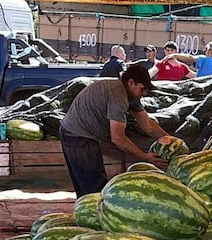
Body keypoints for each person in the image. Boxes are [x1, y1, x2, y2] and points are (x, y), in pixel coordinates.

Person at [59, 65, 170, 196]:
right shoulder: (118, 94)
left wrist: (171, 140)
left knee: (87, 188)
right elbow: (118, 138)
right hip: (78, 137)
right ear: (131, 82)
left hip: (73, 133)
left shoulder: (130, 96)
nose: (144, 93)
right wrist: (145, 157)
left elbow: (147, 124)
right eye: (142, 88)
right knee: (94, 190)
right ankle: (93, 214)